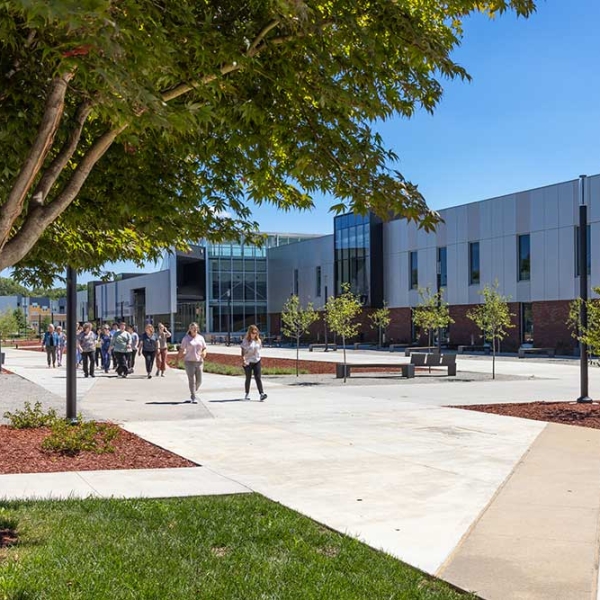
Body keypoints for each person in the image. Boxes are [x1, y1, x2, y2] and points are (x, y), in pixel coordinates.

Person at [176, 322, 207, 403]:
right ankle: (193, 396)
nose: (195, 329)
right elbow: (182, 350)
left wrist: (204, 353)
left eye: (196, 328)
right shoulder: (186, 339)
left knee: (199, 381)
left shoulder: (201, 338)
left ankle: (194, 390)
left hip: (199, 361)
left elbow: (204, 348)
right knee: (191, 380)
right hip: (189, 362)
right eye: (193, 328)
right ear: (190, 329)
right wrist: (178, 359)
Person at [240, 324, 267, 401]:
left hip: (257, 360)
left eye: (255, 333)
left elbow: (259, 349)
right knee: (248, 378)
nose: (254, 334)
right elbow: (242, 351)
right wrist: (243, 360)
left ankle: (262, 394)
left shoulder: (258, 340)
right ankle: (247, 393)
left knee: (258, 377)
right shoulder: (245, 341)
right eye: (252, 333)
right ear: (249, 333)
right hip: (248, 361)